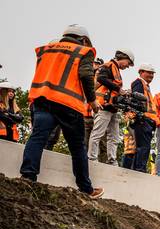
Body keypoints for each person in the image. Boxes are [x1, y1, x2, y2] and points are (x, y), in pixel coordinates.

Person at [20, 24, 103, 198]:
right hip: (68, 103)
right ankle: (86, 189)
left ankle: (27, 176)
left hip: (42, 99)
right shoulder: (83, 51)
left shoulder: (47, 50)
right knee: (78, 147)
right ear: (84, 40)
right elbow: (86, 75)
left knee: (37, 138)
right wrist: (93, 101)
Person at [88, 49, 134, 165]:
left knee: (114, 137)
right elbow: (101, 79)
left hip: (112, 107)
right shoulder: (108, 66)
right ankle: (92, 158)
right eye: (128, 63)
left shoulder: (116, 69)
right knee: (97, 134)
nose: (127, 66)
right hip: (104, 105)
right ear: (123, 58)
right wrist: (119, 89)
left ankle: (112, 160)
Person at [124, 64, 160, 172]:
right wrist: (140, 117)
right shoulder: (138, 83)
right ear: (141, 72)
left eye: (152, 73)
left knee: (143, 147)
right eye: (148, 72)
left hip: (146, 120)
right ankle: (140, 170)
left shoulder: (146, 86)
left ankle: (138, 169)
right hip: (142, 119)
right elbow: (137, 101)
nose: (151, 75)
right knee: (143, 147)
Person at [84, 57, 105, 157]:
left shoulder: (104, 80)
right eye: (95, 64)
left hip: (99, 115)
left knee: (102, 144)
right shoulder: (86, 79)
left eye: (98, 64)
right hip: (85, 115)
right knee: (85, 142)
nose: (96, 66)